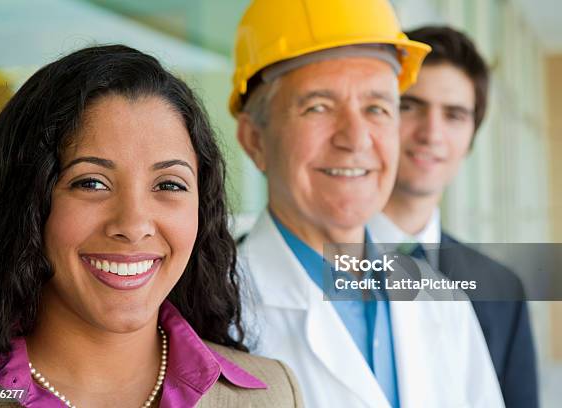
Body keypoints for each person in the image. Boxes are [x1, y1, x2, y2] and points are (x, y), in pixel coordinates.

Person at [0, 45, 303, 408]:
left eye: (169, 184)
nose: (134, 225)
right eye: (91, 182)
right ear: (28, 201)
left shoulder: (273, 394)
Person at [231, 0, 505, 407]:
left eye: (377, 108)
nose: (356, 139)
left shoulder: (441, 301)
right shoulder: (213, 314)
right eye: (318, 107)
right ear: (255, 140)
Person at [368, 25, 539, 408]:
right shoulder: (311, 262)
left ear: (471, 139)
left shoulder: (501, 290)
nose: (432, 133)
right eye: (410, 106)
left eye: (455, 115)